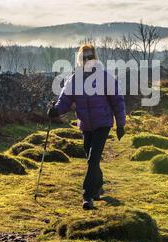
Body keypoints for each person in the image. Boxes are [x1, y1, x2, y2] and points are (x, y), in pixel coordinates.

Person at [48, 44, 126, 210]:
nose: (87, 60)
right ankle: (97, 186)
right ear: (80, 59)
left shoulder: (105, 77)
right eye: (84, 57)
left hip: (103, 124)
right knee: (91, 158)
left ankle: (87, 196)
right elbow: (65, 101)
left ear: (95, 58)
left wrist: (120, 125)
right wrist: (56, 111)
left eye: (90, 57)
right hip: (85, 125)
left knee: (93, 158)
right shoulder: (74, 80)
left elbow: (118, 102)